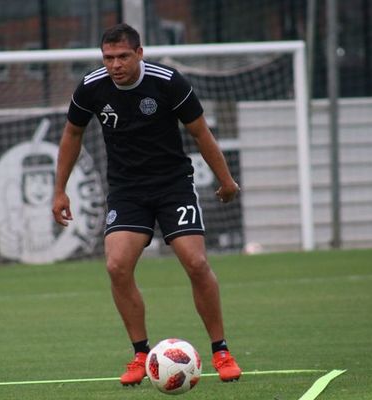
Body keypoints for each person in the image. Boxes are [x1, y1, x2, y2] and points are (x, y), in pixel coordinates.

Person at [52, 23, 242, 385]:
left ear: (140, 53)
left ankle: (221, 350)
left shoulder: (168, 82)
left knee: (196, 262)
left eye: (123, 56)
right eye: (108, 58)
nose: (115, 65)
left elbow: (200, 132)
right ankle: (140, 354)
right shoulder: (92, 87)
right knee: (116, 265)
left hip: (173, 186)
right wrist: (59, 190)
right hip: (127, 190)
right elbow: (72, 133)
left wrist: (226, 180)